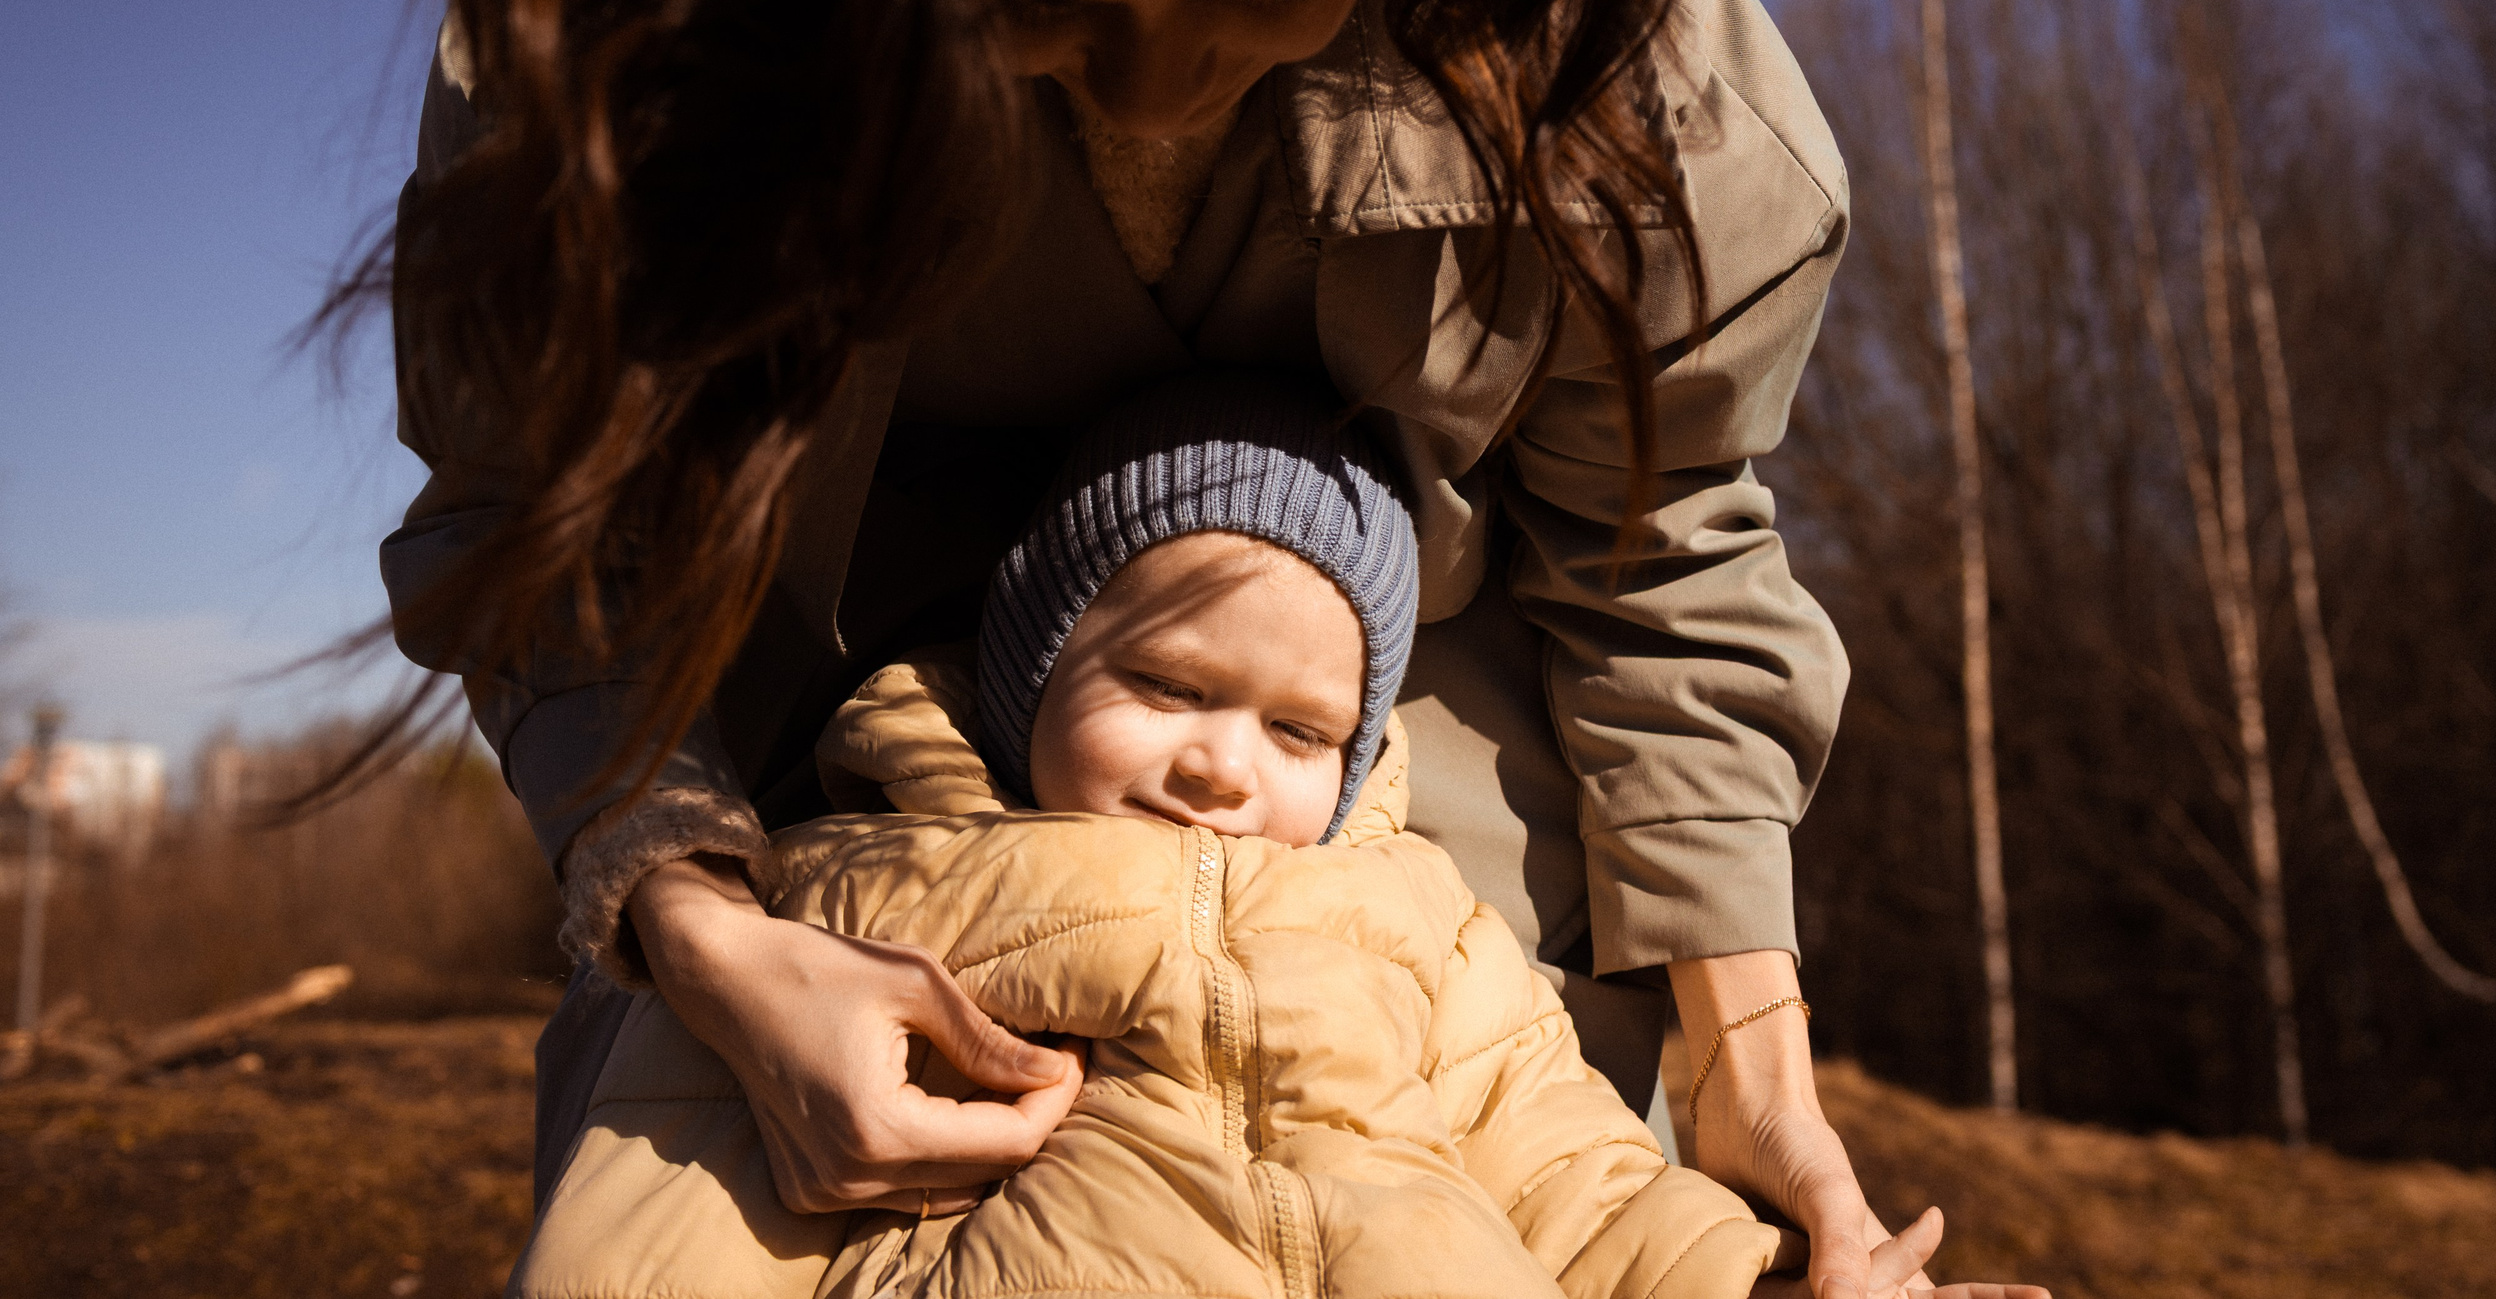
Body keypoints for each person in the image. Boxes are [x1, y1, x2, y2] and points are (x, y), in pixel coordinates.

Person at [368, 0, 2041, 1294]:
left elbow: (1657, 542)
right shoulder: (642, 0)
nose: (1160, 86)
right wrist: (706, 937)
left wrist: (1744, 1070)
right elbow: (554, 533)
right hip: (812, 763)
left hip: (1413, 754)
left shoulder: (1599, 23)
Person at [516, 375, 1891, 1298]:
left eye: (1300, 733)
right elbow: (671, 1212)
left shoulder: (1420, 918)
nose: (1221, 764)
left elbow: (1573, 1182)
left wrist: (1748, 1277)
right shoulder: (877, 883)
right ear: (1033, 674)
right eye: (1166, 687)